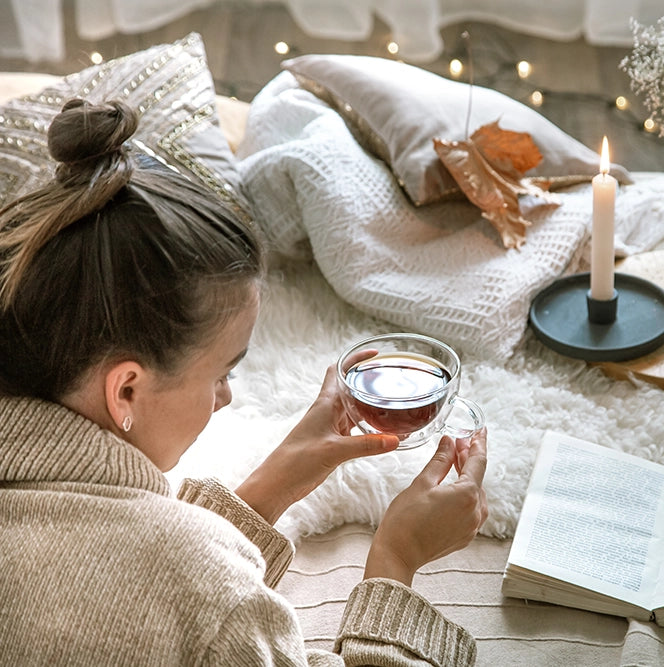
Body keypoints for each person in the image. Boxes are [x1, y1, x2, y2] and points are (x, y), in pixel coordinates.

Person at [0, 98, 488, 665]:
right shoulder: (206, 593)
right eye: (222, 373)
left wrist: (269, 488)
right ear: (126, 390)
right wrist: (396, 561)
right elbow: (184, 598)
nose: (227, 397)